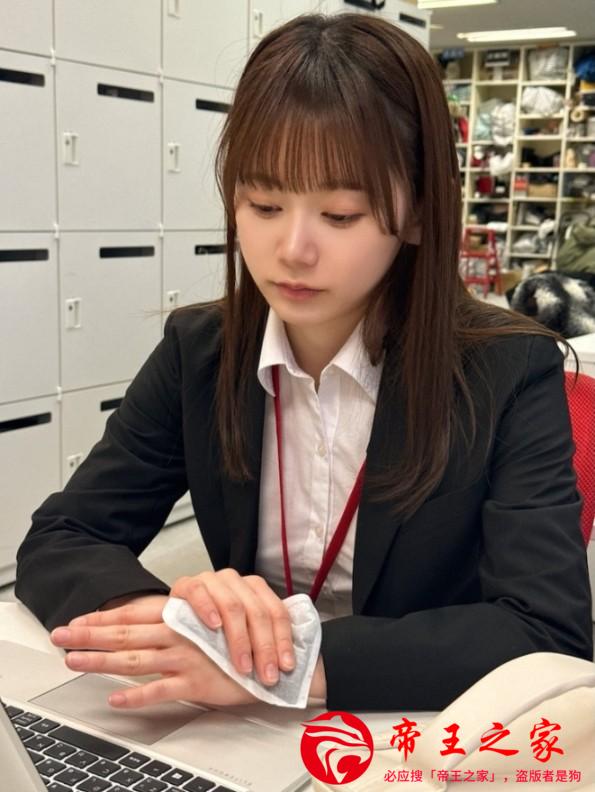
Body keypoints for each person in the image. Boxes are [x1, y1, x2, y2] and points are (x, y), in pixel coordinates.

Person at [15, 13, 592, 713]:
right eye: (263, 204)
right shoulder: (200, 352)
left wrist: (286, 665)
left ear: (417, 212)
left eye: (340, 215)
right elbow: (64, 536)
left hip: (412, 725)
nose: (292, 249)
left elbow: (546, 629)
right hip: (239, 726)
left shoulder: (507, 370)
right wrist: (171, 621)